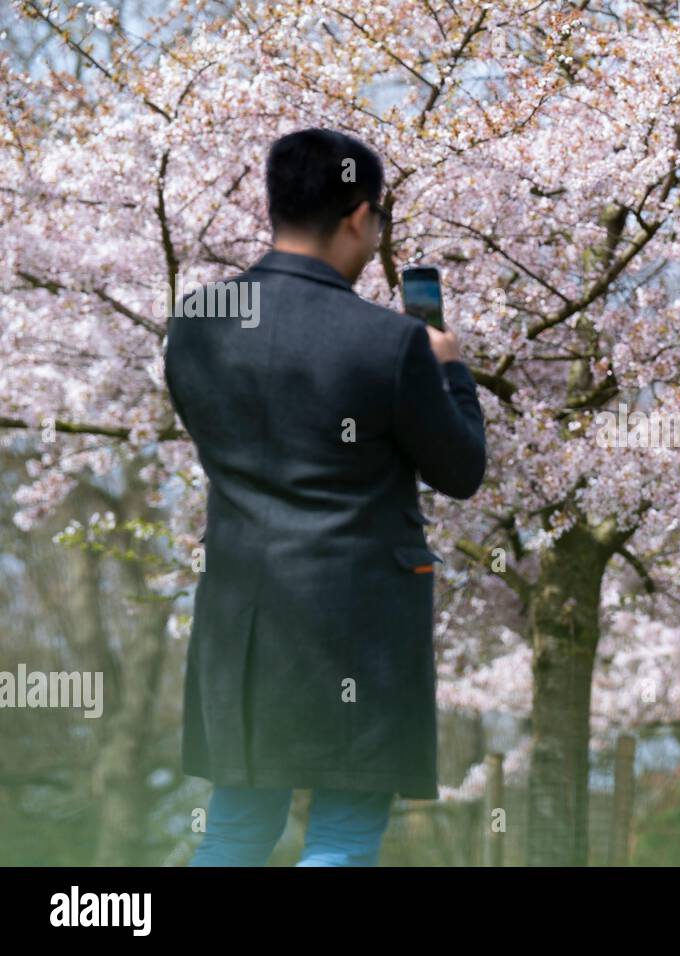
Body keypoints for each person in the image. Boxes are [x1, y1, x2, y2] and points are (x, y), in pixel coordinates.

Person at [164, 128, 487, 865]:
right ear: (359, 217)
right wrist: (448, 368)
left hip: (242, 613)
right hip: (359, 621)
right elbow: (461, 470)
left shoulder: (195, 327)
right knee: (342, 833)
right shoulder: (389, 343)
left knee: (238, 825)